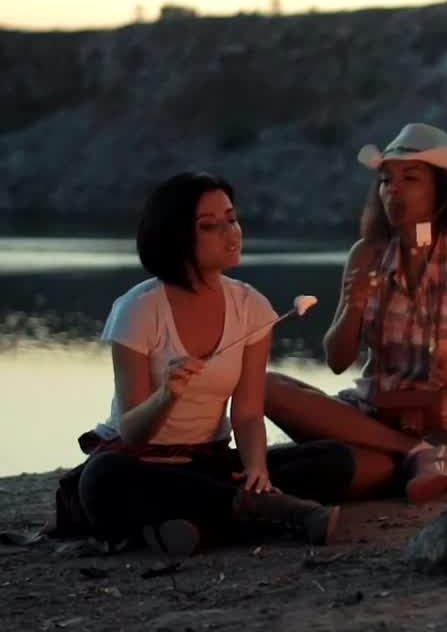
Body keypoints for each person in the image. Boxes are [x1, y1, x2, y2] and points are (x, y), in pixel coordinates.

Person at [66, 172, 352, 555]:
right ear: (177, 235)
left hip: (209, 464)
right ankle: (266, 513)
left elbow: (248, 413)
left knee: (334, 459)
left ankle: (192, 525)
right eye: (210, 225)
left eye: (232, 219)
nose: (231, 232)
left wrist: (257, 471)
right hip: (142, 463)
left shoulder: (251, 306)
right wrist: (167, 394)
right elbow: (132, 432)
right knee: (102, 479)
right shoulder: (139, 310)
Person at [265, 123, 447, 504]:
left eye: (409, 178)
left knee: (344, 467)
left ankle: (410, 460)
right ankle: (415, 458)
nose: (392, 190)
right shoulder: (365, 255)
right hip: (368, 419)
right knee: (265, 386)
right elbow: (336, 361)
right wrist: (354, 306)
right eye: (385, 181)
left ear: (444, 191)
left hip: (440, 430)